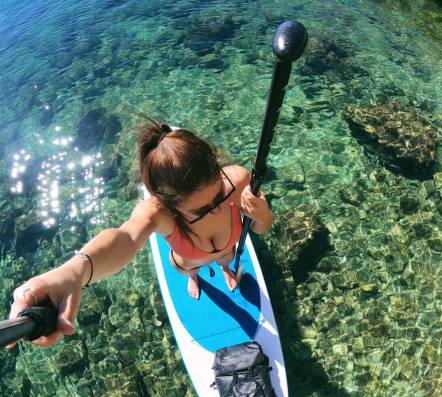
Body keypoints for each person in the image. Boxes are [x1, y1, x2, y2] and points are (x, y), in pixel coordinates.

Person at [7, 119, 273, 349]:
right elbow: (125, 238)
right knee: (190, 271)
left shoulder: (236, 180)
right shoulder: (158, 214)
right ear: (167, 203)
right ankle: (193, 280)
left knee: (226, 260)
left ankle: (225, 268)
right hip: (188, 261)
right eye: (200, 209)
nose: (215, 209)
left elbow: (261, 227)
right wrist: (74, 272)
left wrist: (262, 216)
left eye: (217, 196)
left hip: (228, 249)